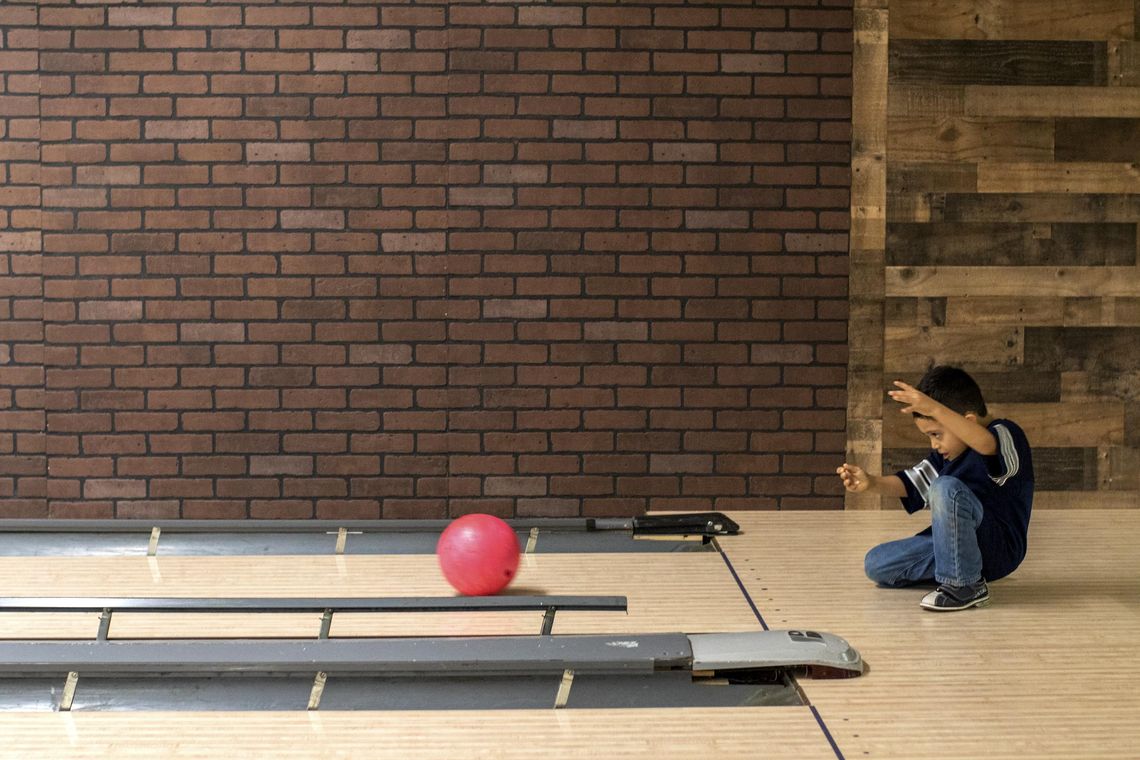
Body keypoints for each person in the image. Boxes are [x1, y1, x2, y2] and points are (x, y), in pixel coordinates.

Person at [837, 366, 1034, 612]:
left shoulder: (1005, 434)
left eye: (936, 434)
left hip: (999, 548)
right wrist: (872, 482)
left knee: (945, 487)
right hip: (956, 545)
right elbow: (912, 485)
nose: (934, 444)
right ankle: (958, 569)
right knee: (876, 563)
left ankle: (965, 586)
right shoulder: (947, 457)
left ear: (967, 421)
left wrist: (934, 408)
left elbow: (986, 445)